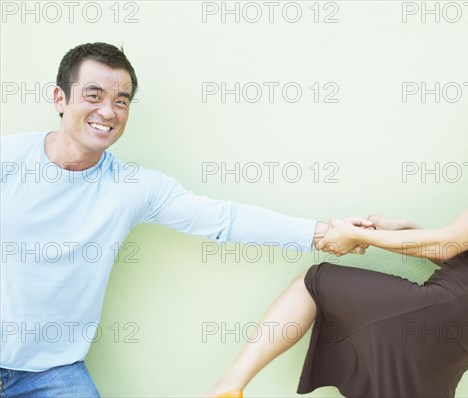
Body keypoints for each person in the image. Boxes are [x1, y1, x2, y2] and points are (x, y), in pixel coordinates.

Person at [205, 58, 468, 398]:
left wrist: (358, 235)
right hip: (455, 326)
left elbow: (447, 246)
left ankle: (228, 387)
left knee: (316, 281)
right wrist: (403, 229)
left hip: (442, 314)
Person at [0, 42, 370, 396]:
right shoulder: (9, 157)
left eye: (121, 101)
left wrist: (323, 233)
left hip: (55, 371)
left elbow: (225, 219)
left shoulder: (133, 187)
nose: (109, 111)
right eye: (93, 96)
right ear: (60, 99)